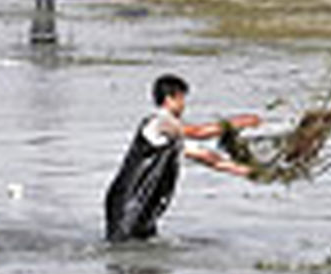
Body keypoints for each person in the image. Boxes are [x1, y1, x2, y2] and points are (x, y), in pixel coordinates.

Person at [104, 74, 260, 242]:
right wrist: (237, 123)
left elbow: (209, 159)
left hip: (146, 203)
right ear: (169, 98)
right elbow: (199, 133)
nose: (183, 105)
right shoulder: (159, 122)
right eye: (181, 98)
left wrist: (250, 171)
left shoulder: (169, 138)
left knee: (144, 254)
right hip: (127, 200)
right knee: (126, 249)